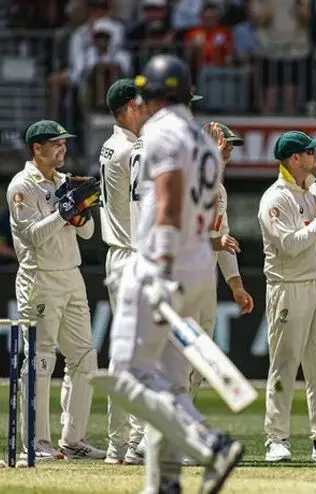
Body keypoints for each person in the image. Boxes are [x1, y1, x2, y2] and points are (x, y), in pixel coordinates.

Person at [90, 54, 243, 493]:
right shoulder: (204, 143)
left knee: (127, 372)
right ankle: (165, 481)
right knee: (171, 381)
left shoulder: (159, 132)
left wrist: (158, 266)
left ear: (153, 96)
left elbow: (171, 203)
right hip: (197, 264)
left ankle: (210, 443)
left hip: (163, 260)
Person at [6, 120, 105, 460]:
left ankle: (73, 440)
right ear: (37, 148)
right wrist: (65, 211)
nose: (63, 149)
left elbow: (88, 233)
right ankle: (36, 442)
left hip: (72, 276)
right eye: (56, 144)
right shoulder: (22, 185)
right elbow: (33, 235)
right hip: (40, 278)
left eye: (65, 143)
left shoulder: (65, 181)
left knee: (85, 358)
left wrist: (81, 212)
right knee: (41, 358)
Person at [258, 131, 316, 464]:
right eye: (310, 152)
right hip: (288, 287)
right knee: (284, 365)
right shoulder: (275, 198)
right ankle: (276, 438)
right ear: (294, 158)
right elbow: (291, 246)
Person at [99, 78, 149, 465]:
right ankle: (134, 441)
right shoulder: (132, 150)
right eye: (143, 102)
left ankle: (120, 443)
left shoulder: (111, 145)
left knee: (125, 352)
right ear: (131, 107)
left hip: (118, 254)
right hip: (132, 253)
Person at [194, 121, 254, 399]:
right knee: (182, 351)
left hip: (207, 277)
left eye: (230, 145)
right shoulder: (192, 182)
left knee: (201, 353)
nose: (228, 149)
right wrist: (216, 243)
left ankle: (185, 415)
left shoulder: (219, 189)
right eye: (223, 144)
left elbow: (223, 237)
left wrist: (237, 286)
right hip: (184, 277)